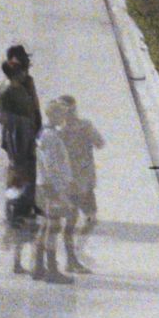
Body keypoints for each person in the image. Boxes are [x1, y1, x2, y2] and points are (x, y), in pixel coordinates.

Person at [0, 45, 42, 274]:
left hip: (26, 144)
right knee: (18, 195)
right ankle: (18, 256)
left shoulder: (25, 84)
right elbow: (5, 119)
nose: (25, 71)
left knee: (25, 191)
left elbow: (34, 108)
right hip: (19, 147)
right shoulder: (7, 91)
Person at [53, 93, 104, 259]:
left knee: (88, 218)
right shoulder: (61, 131)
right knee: (76, 220)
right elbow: (100, 143)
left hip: (82, 182)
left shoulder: (79, 127)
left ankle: (76, 249)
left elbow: (100, 143)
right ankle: (73, 253)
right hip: (74, 183)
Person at [34, 99, 77, 281]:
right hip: (52, 187)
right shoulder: (51, 136)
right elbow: (52, 166)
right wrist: (61, 191)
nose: (64, 117)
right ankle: (52, 270)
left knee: (45, 226)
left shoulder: (44, 132)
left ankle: (38, 267)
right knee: (54, 227)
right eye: (61, 113)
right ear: (53, 115)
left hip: (44, 185)